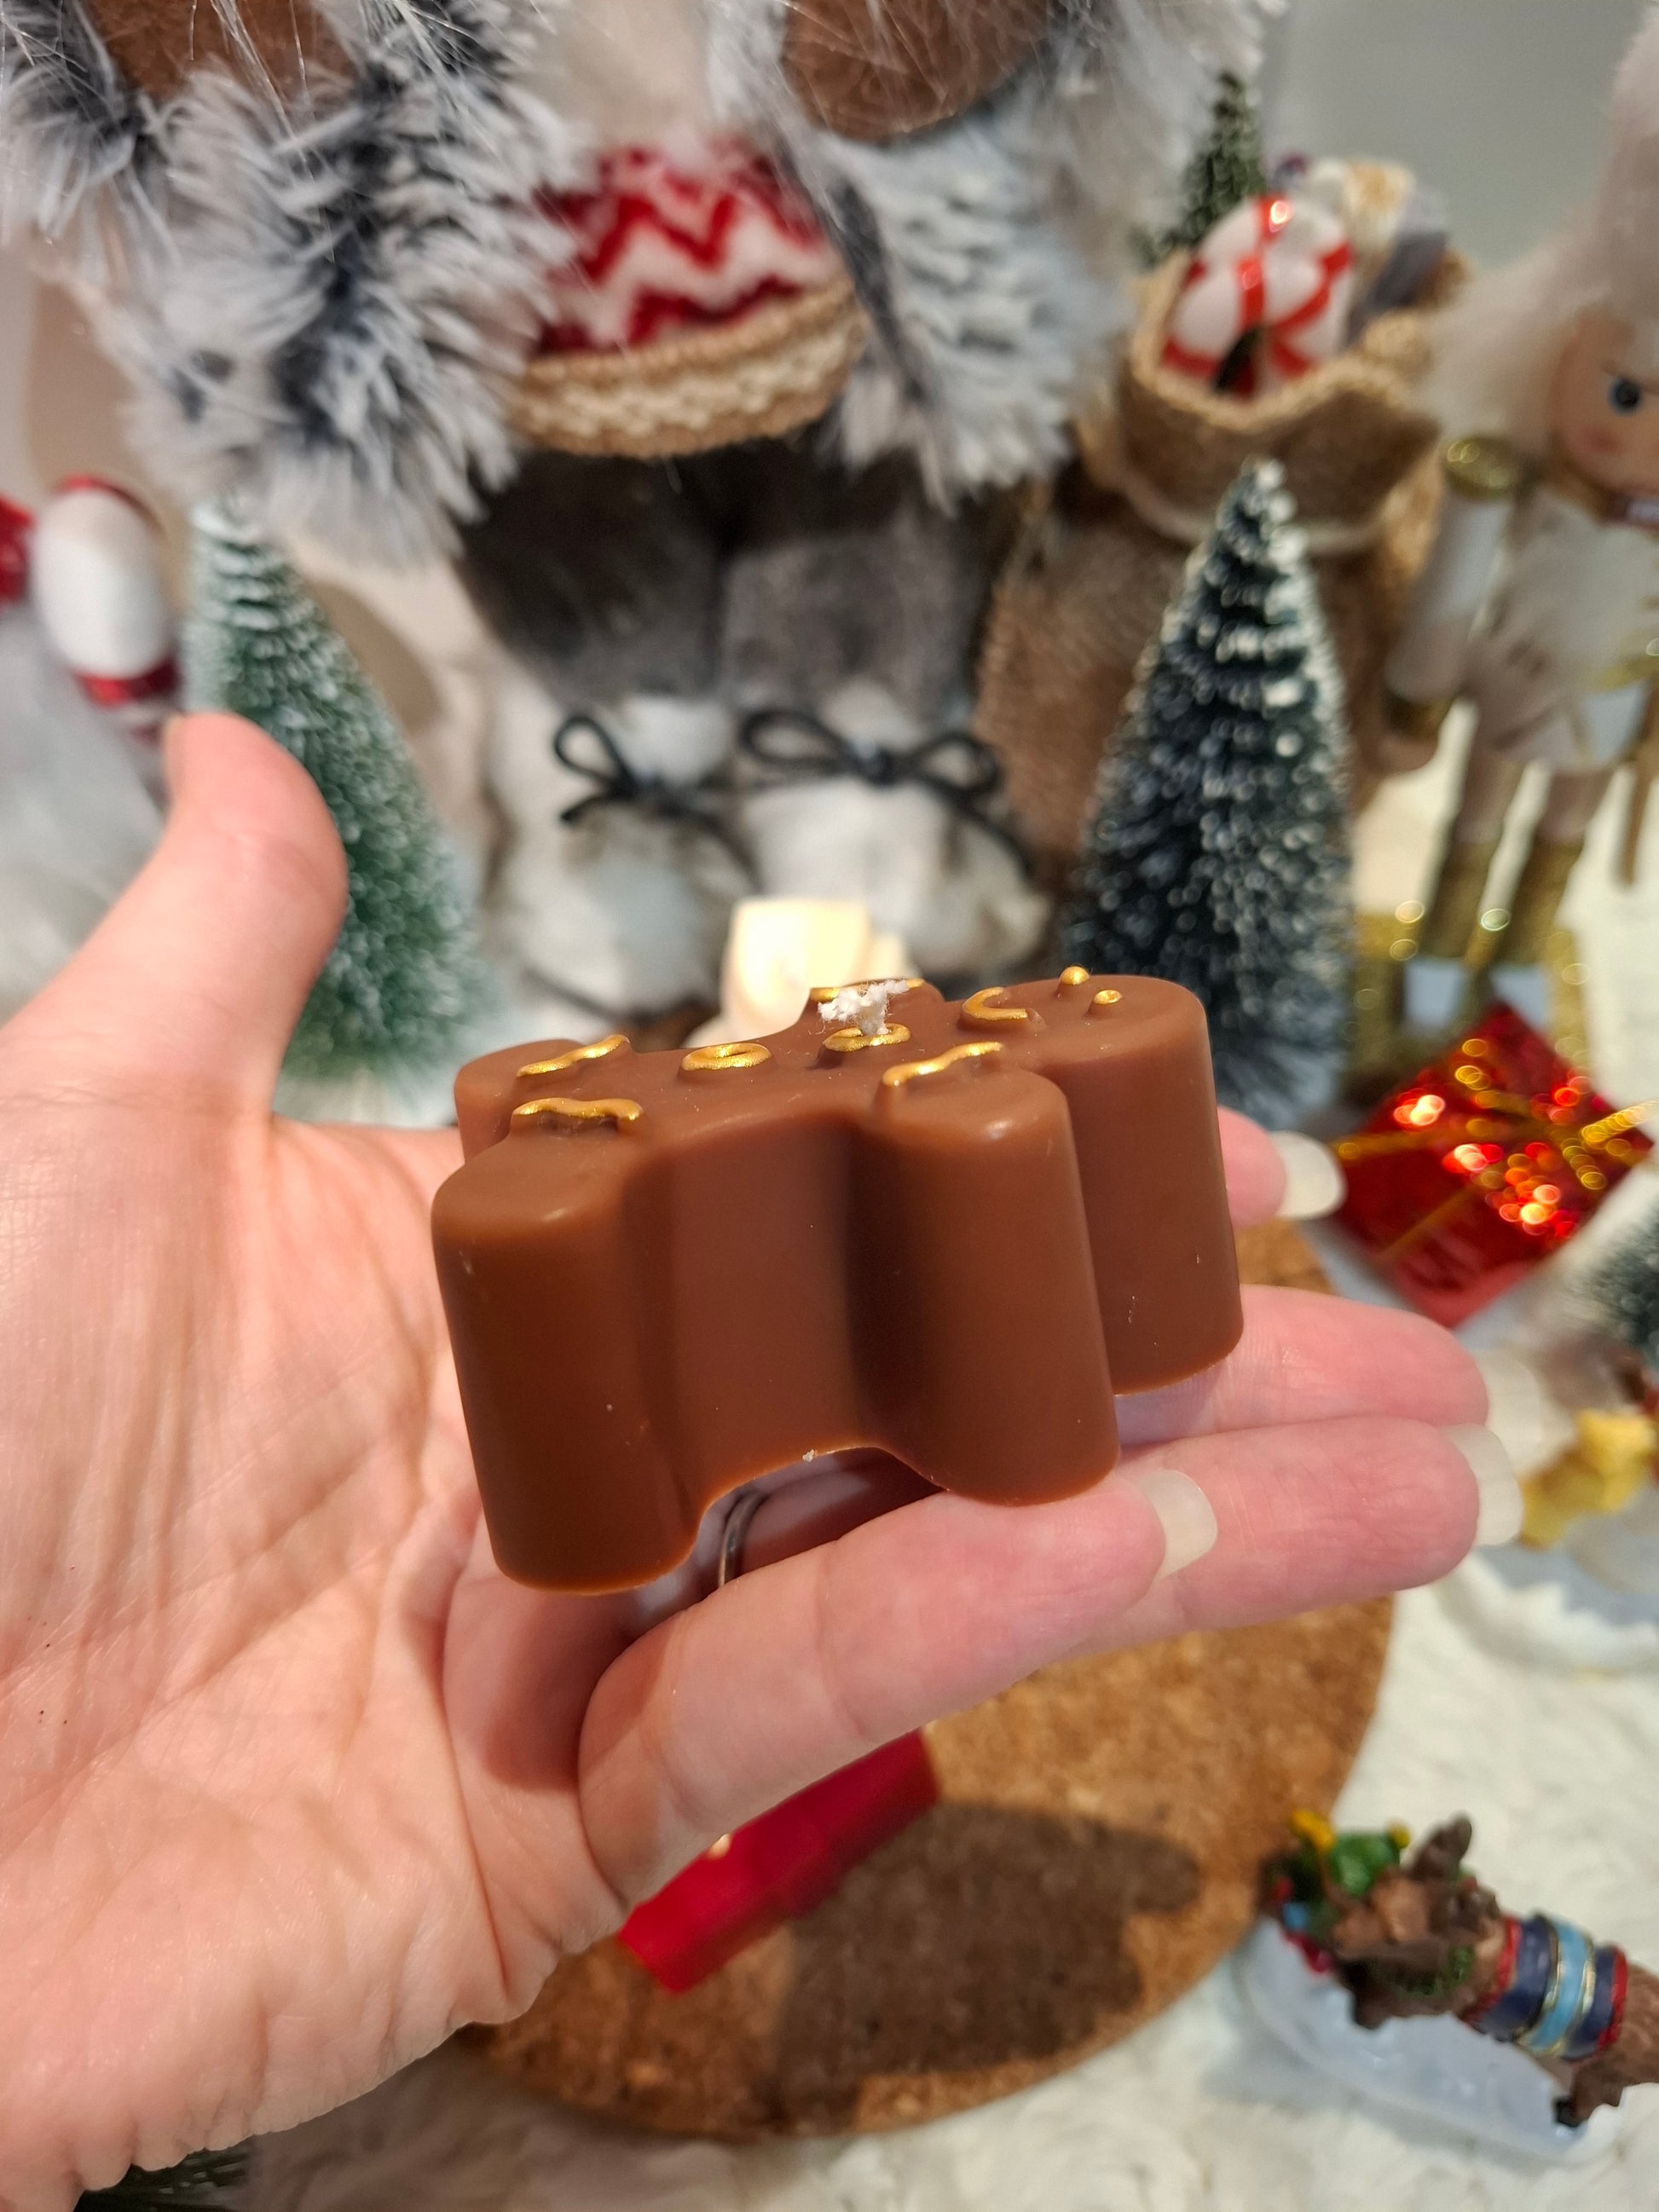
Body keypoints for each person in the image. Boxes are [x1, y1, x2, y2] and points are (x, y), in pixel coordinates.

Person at [0, 714, 1517, 2212]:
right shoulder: (555, 1177)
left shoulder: (960, 1121)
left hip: (928, 1141)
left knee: (1004, 1161)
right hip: (627, 1301)